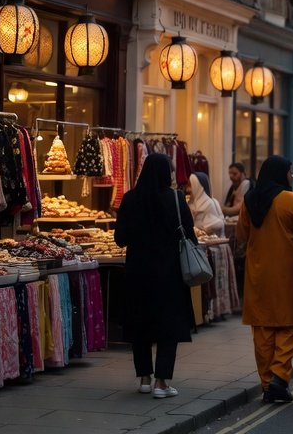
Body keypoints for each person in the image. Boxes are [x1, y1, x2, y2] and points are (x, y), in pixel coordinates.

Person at [115, 153, 195, 399]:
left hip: (138, 273)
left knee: (140, 326)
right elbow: (189, 234)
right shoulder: (176, 199)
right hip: (169, 274)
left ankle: (144, 379)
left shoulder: (130, 199)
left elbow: (120, 239)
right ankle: (162, 383)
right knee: (167, 328)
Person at [237, 156, 293, 404]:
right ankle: (279, 376)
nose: (292, 177)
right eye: (290, 172)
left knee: (263, 329)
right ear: (281, 174)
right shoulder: (291, 199)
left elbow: (242, 234)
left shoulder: (249, 200)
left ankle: (268, 384)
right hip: (287, 270)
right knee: (290, 325)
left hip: (258, 272)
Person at [187, 172, 224, 237]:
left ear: (197, 186)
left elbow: (216, 225)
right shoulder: (189, 203)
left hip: (211, 244)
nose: (188, 189)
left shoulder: (209, 203)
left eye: (191, 185)